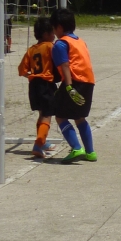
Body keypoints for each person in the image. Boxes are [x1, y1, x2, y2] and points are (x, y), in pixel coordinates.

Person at [50, 8, 97, 162]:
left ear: (59, 27)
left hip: (74, 82)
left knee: (60, 116)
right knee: (80, 117)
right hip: (88, 82)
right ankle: (90, 152)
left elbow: (65, 65)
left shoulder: (60, 44)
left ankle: (76, 148)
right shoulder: (80, 41)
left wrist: (69, 86)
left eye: (54, 28)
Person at [17, 16, 59, 160]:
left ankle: (43, 141)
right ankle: (38, 144)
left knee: (42, 114)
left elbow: (22, 70)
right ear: (46, 34)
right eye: (52, 32)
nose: (54, 35)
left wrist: (32, 75)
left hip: (34, 84)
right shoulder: (50, 47)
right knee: (47, 114)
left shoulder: (31, 50)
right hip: (46, 84)